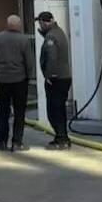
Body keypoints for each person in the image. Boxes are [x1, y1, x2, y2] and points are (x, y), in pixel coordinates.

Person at [0, 14, 34, 152]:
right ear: (18, 25)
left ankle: (2, 141)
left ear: (7, 24)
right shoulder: (24, 40)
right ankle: (17, 142)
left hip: (3, 80)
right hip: (20, 80)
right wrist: (28, 76)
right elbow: (29, 62)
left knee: (4, 111)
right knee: (19, 112)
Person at [36, 11, 72, 150]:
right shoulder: (59, 32)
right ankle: (61, 137)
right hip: (63, 77)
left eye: (40, 23)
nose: (40, 25)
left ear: (46, 22)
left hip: (57, 79)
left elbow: (51, 58)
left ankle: (61, 138)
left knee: (54, 110)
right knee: (59, 109)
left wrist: (49, 76)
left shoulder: (51, 36)